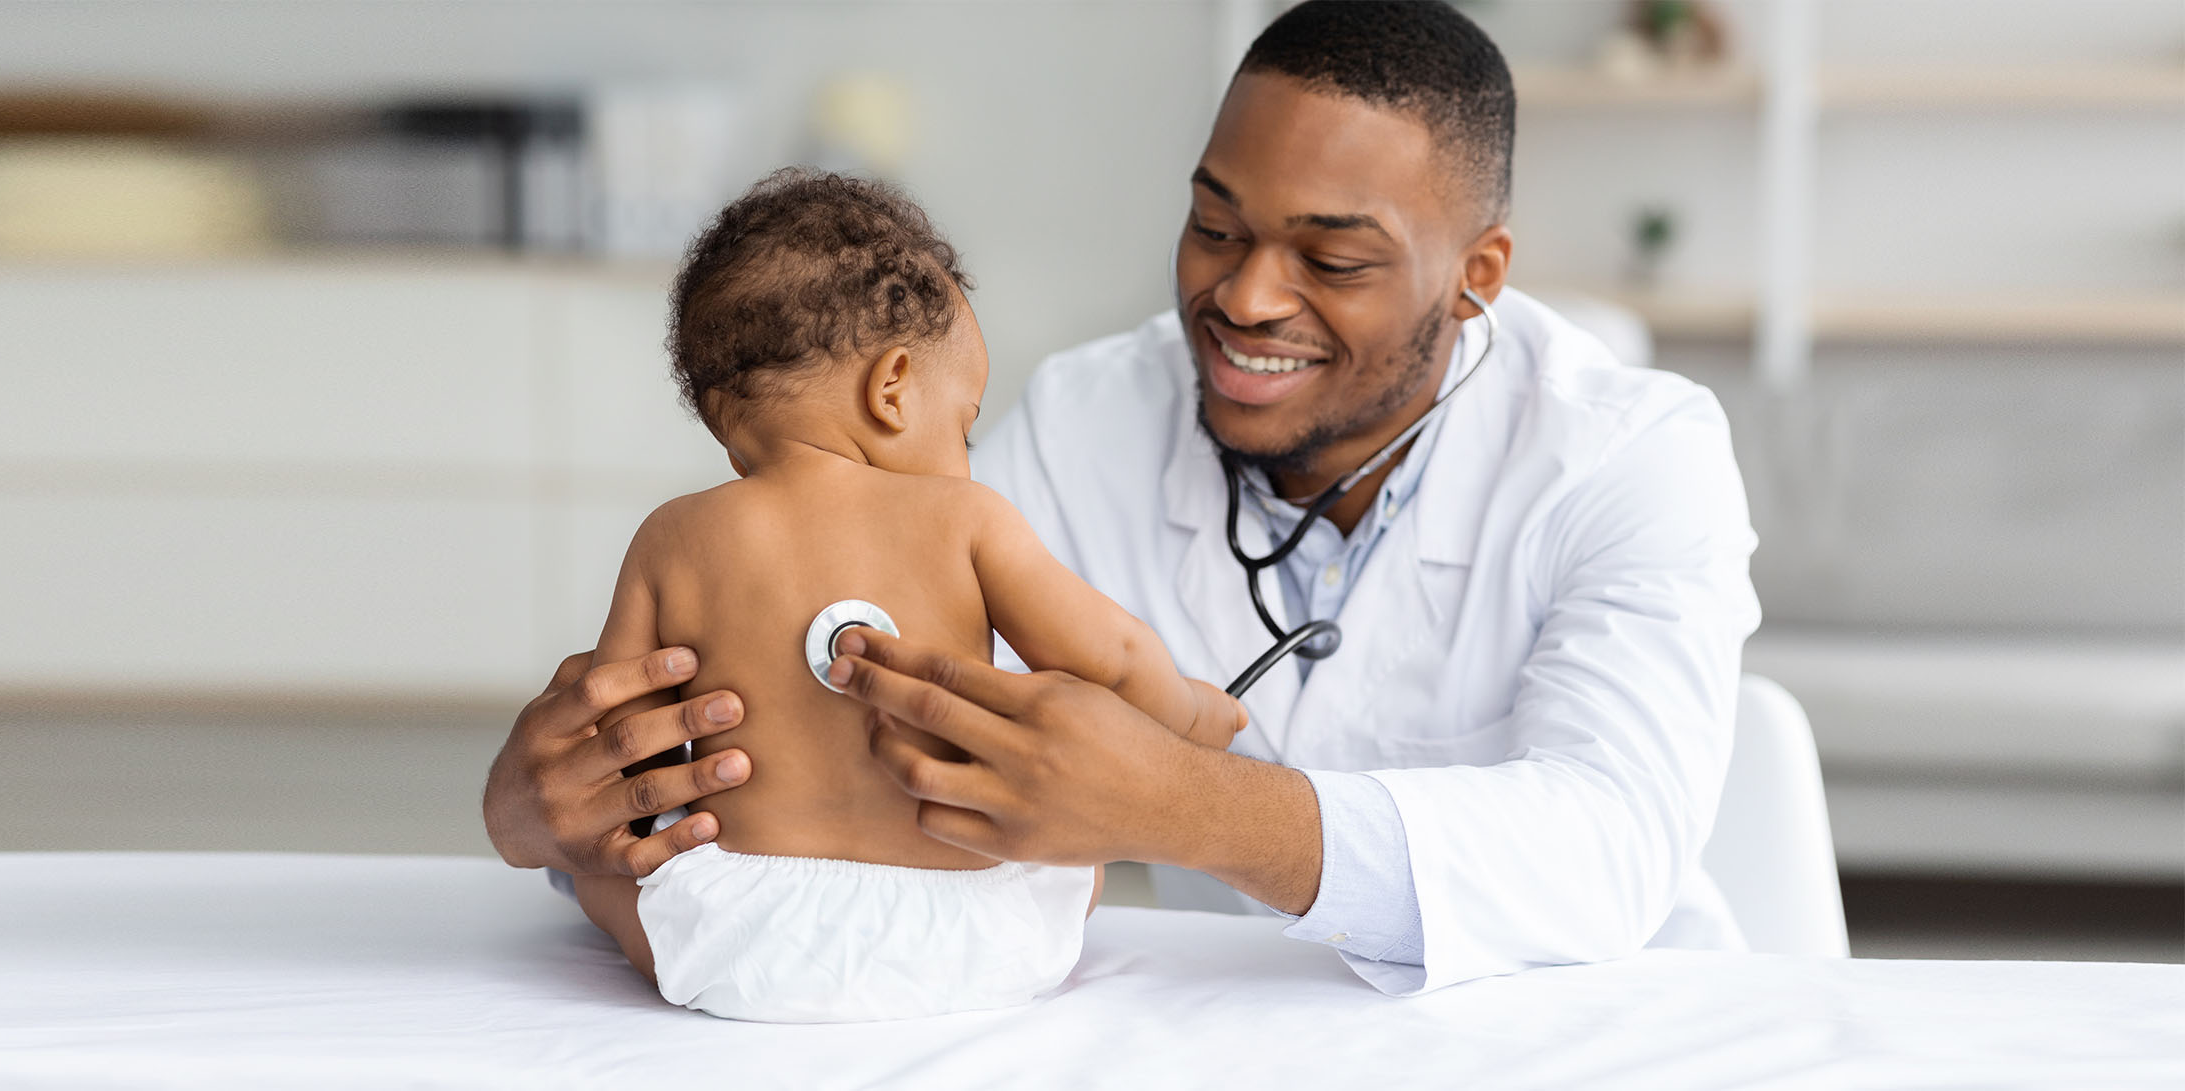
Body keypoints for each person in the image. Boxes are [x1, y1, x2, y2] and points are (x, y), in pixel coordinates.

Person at [485, 0, 1760, 997]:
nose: (1247, 296)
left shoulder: (1634, 451)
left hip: (1588, 1031)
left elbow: (1610, 841)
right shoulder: (1087, 418)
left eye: (1331, 257)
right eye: (1215, 227)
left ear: (1476, 274)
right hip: (1229, 1031)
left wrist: (1182, 800)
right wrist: (561, 811)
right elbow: (814, 721)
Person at [565, 168, 1244, 1023]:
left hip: (744, 941)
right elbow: (1110, 656)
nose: (965, 449)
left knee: (596, 876)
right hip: (975, 933)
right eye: (963, 423)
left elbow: (622, 733)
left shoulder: (673, 536)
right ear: (891, 388)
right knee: (1082, 850)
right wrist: (1189, 719)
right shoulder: (965, 517)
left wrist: (641, 861)